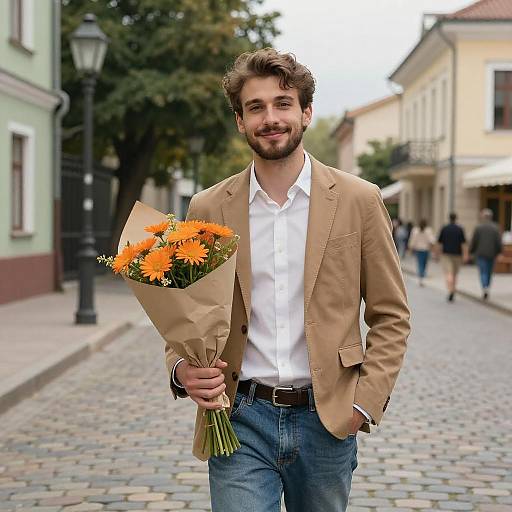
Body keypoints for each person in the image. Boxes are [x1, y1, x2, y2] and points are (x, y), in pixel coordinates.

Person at [165, 48, 410, 512]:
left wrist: (364, 403)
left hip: (328, 418)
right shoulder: (207, 208)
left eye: (282, 103)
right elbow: (182, 315)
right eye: (255, 107)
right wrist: (181, 370)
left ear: (306, 112)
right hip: (239, 416)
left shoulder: (359, 200)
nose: (270, 118)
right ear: (240, 121)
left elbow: (391, 315)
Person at [469, 208, 502, 300]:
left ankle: (484, 288)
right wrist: (499, 252)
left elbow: (474, 241)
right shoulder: (496, 227)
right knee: (489, 272)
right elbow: (498, 242)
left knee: (483, 271)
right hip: (492, 253)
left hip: (481, 253)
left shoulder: (478, 227)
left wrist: (471, 251)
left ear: (483, 217)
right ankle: (487, 287)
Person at [436, 212, 468, 302]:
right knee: (455, 274)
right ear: (456, 218)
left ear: (449, 218)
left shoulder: (444, 228)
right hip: (457, 255)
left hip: (446, 254)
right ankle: (453, 289)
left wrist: (437, 254)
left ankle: (450, 290)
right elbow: (463, 243)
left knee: (448, 273)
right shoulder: (460, 229)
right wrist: (465, 255)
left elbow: (439, 243)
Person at [408, 219, 436, 286]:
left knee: (420, 263)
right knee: (424, 263)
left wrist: (410, 249)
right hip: (426, 250)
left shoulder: (415, 230)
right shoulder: (428, 231)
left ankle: (421, 278)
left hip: (419, 250)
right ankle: (422, 277)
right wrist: (433, 248)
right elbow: (432, 241)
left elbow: (412, 240)